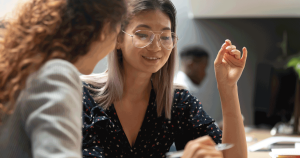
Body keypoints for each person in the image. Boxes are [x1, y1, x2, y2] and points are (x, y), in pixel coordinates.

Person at [81, 0, 247, 158]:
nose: (156, 46)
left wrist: (228, 88)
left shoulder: (178, 101)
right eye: (143, 35)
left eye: (165, 36)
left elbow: (231, 156)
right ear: (118, 38)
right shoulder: (82, 96)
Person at [0, 0, 126, 157]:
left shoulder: (20, 67)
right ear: (105, 29)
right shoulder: (55, 74)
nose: (114, 45)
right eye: (117, 31)